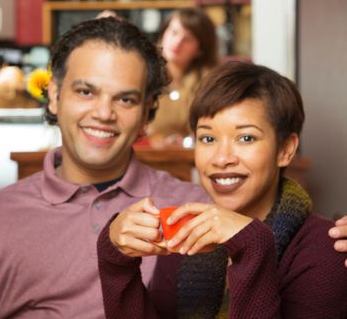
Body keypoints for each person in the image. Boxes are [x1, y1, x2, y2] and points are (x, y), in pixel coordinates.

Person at [0, 17, 210, 318]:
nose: (104, 113)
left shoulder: (194, 210)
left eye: (125, 99)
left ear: (146, 114)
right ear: (55, 96)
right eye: (86, 92)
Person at [98, 61, 347, 318]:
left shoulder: (327, 250)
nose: (221, 158)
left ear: (285, 150)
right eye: (208, 138)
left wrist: (252, 246)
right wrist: (116, 260)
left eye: (246, 138)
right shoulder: (185, 235)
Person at [147, 8, 218, 148]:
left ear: (200, 49)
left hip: (188, 159)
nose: (177, 42)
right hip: (145, 155)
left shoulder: (208, 81)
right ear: (163, 33)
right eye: (173, 32)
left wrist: (187, 142)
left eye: (188, 39)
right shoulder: (143, 72)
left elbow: (211, 129)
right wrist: (153, 137)